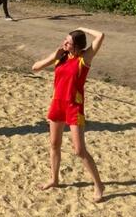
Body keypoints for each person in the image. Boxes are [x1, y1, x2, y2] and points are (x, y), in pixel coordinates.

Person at [32, 27, 105, 201]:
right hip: (57, 104)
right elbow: (35, 68)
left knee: (79, 150)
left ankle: (99, 185)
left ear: (77, 46)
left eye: (69, 42)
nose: (64, 43)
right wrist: (53, 57)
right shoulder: (61, 56)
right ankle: (54, 179)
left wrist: (81, 28)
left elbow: (101, 36)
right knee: (54, 144)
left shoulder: (84, 58)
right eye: (65, 39)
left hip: (74, 107)